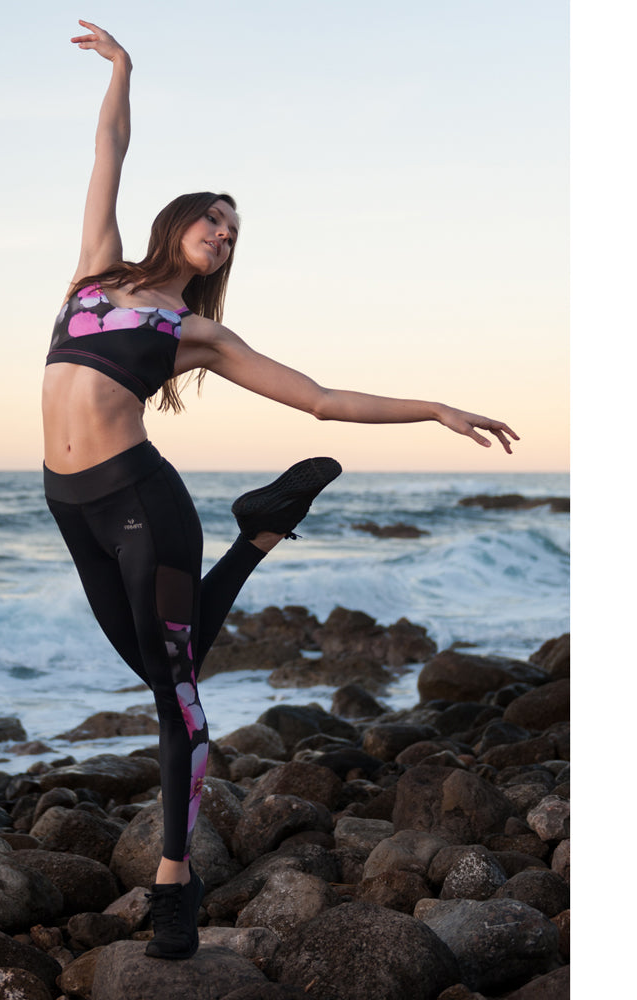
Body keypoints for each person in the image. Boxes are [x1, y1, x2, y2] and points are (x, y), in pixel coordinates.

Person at [42, 20, 518, 961]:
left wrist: (435, 408)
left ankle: (175, 878)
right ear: (177, 219)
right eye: (212, 218)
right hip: (68, 503)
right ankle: (260, 533)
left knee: (177, 695)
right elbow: (109, 149)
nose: (222, 234)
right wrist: (124, 70)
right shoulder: (96, 271)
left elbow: (321, 400)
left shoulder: (199, 335)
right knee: (155, 670)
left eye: (233, 231)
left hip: (144, 501)